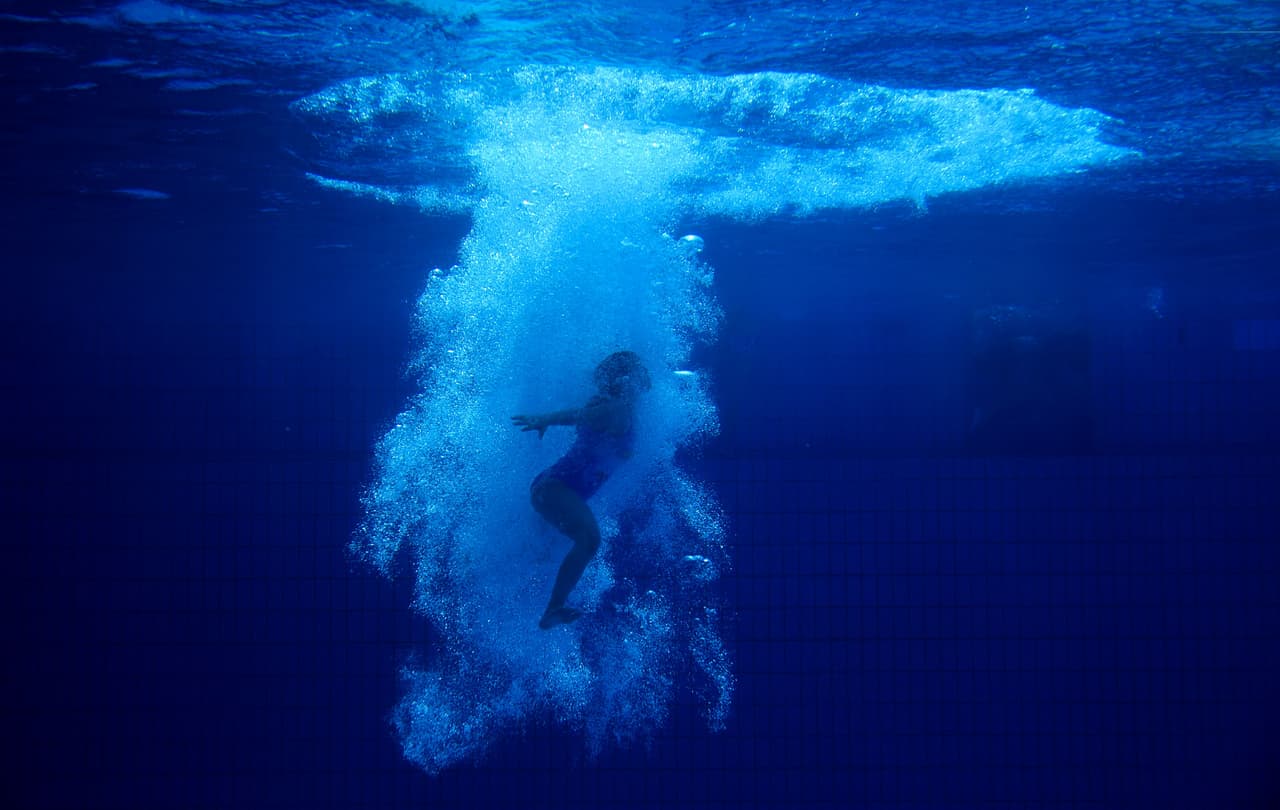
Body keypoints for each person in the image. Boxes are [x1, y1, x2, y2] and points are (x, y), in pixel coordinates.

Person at [512, 351, 652, 629]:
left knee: (535, 557)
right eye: (640, 374)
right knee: (589, 539)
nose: (647, 380)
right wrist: (546, 418)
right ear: (625, 379)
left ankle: (480, 568)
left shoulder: (623, 410)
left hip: (558, 490)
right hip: (555, 487)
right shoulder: (618, 409)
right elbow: (580, 416)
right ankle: (554, 608)